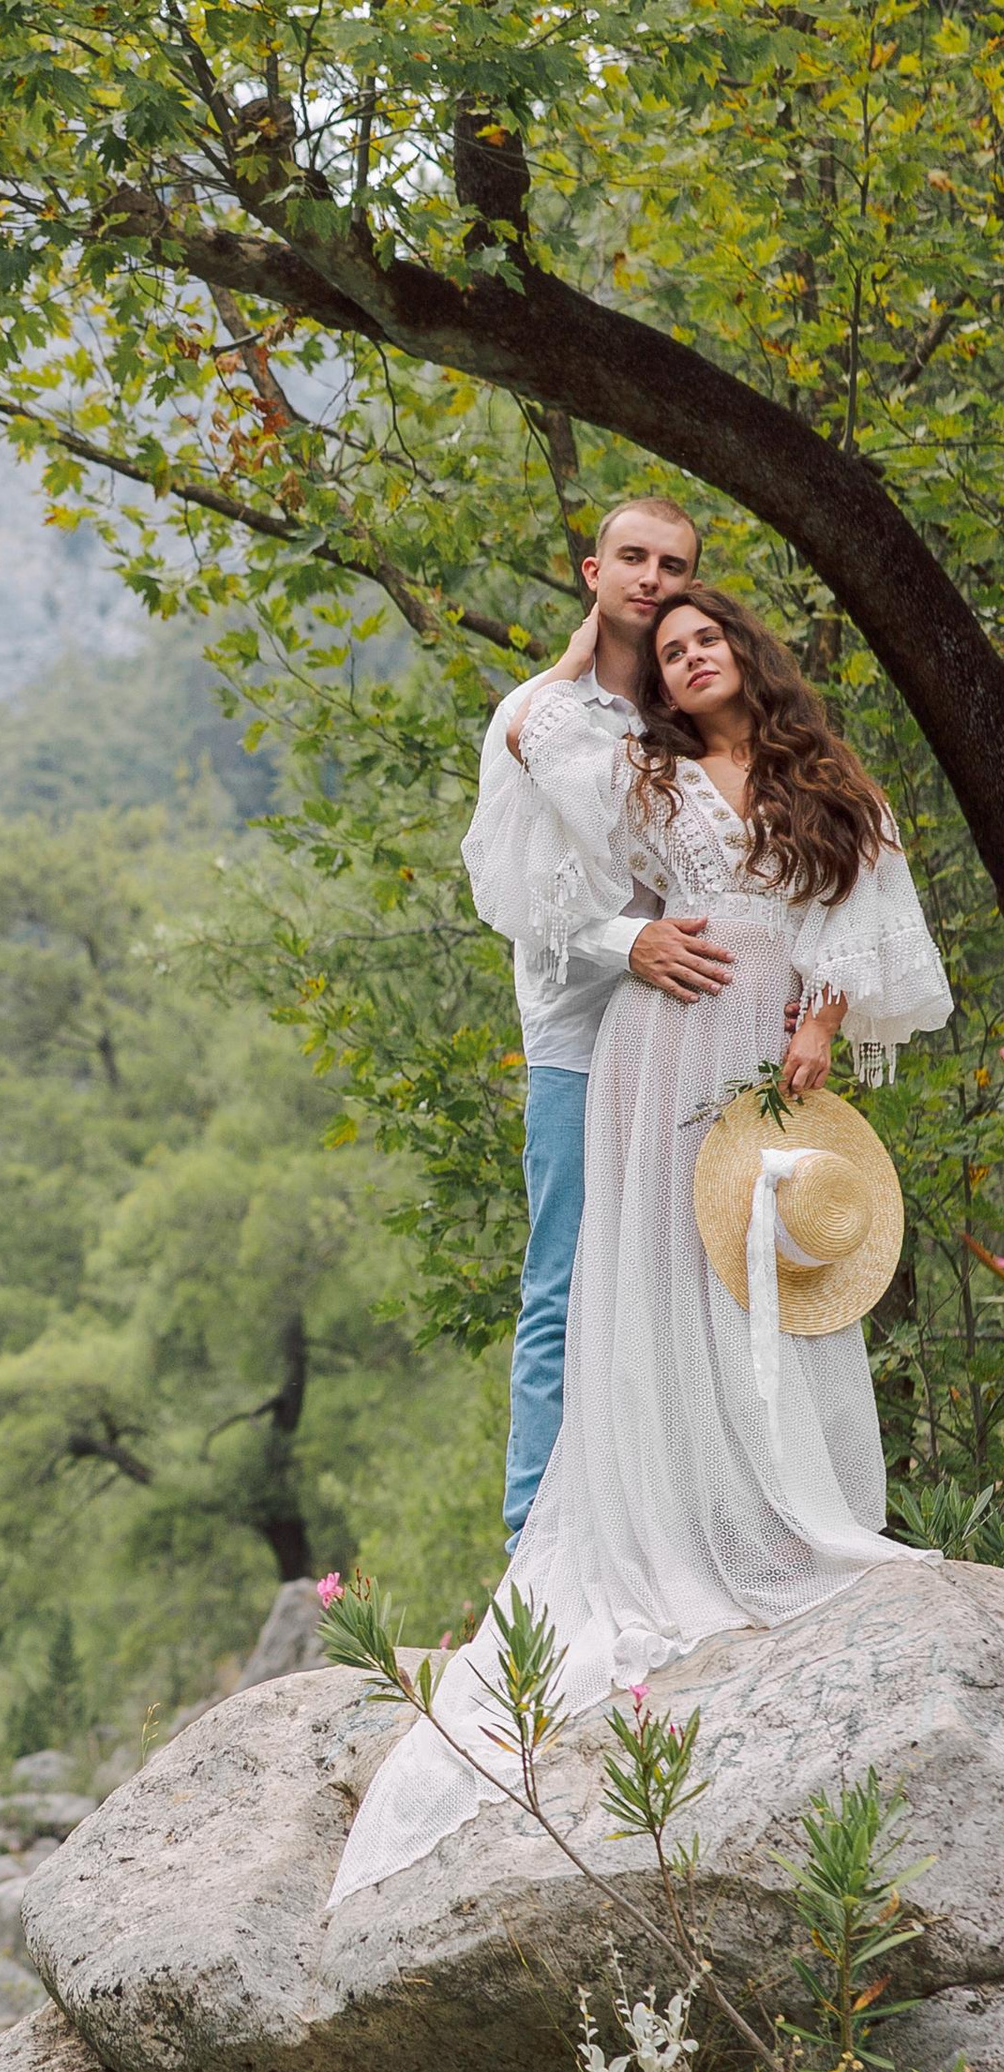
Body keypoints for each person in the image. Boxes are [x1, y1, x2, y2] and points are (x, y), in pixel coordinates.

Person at [330, 583, 953, 1908]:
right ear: (656, 680)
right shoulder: (641, 775)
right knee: (668, 1275)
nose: (690, 658)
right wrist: (590, 637)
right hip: (660, 1043)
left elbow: (863, 896)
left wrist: (820, 1022)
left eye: (704, 637)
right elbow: (529, 746)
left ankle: (782, 1510)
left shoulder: (820, 772)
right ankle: (671, 1519)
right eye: (668, 652)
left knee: (765, 1272)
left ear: (741, 650)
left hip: (762, 1047)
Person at [463, 498, 732, 1544]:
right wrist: (630, 944)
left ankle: (663, 1525)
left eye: (673, 564)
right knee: (564, 1282)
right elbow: (513, 896)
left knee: (678, 1281)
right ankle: (532, 1540)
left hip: (685, 1039)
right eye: (633, 557)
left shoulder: (688, 716)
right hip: (578, 1040)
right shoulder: (535, 713)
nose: (652, 577)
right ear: (593, 570)